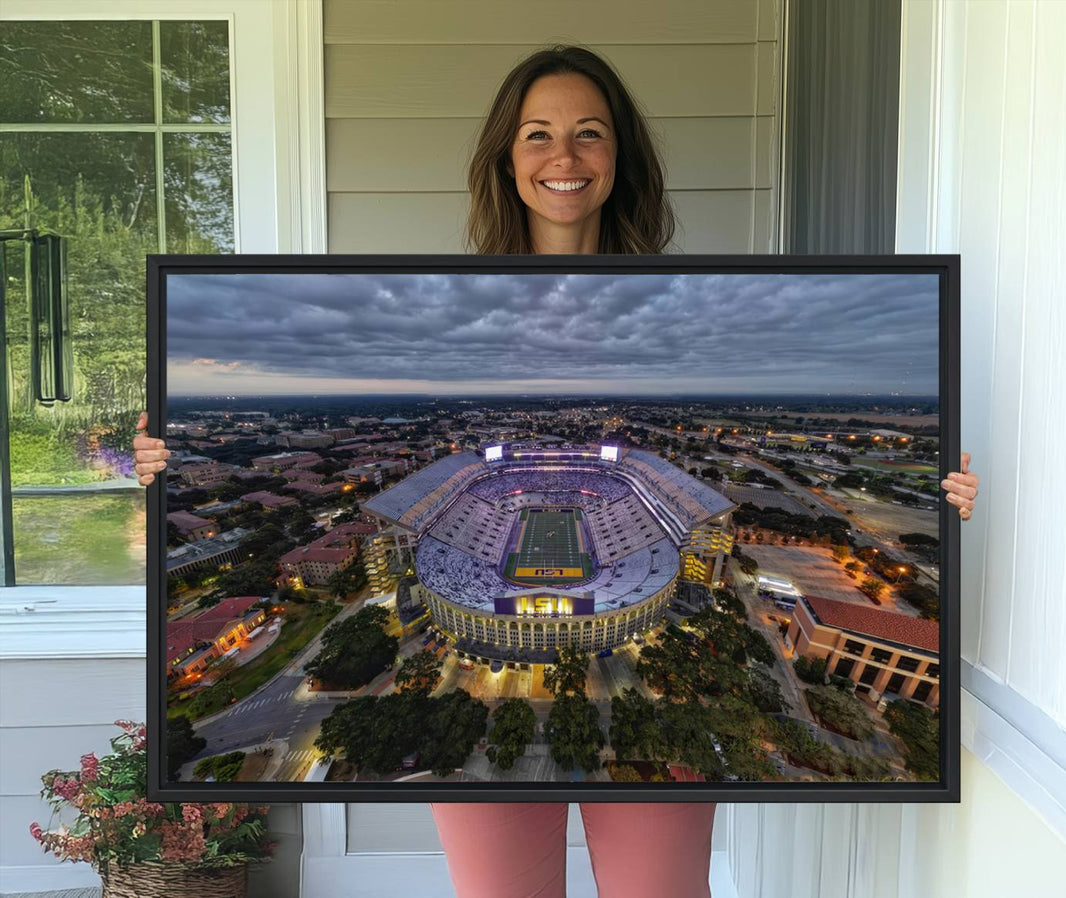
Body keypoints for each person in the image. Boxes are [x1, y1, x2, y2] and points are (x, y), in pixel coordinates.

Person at [134, 44, 979, 898]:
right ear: (507, 157)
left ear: (620, 158)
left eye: (589, 133)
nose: (563, 157)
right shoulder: (445, 293)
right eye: (537, 134)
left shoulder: (679, 299)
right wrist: (163, 466)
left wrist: (946, 504)